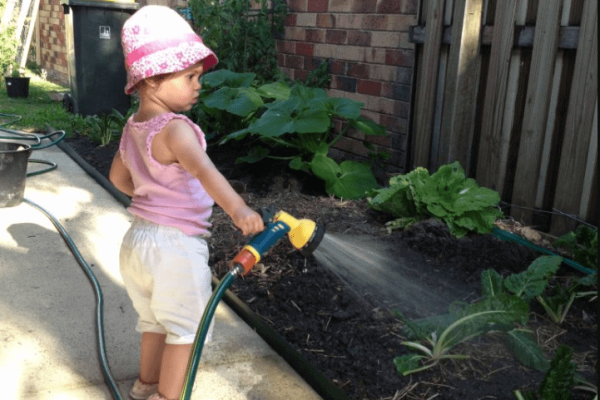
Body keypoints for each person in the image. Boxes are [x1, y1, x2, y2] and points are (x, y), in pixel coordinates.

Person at [109, 6, 264, 400]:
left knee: (153, 323)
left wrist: (153, 199)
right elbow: (206, 173)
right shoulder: (177, 129)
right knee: (186, 329)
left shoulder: (134, 126)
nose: (199, 85)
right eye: (190, 76)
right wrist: (240, 211)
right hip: (175, 247)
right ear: (152, 79)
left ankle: (145, 387)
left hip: (137, 244)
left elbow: (117, 179)